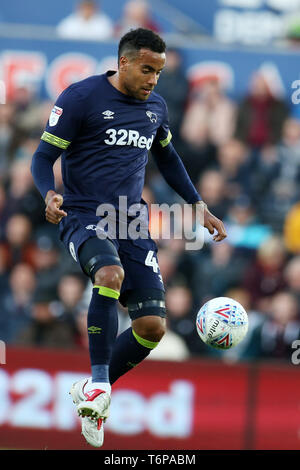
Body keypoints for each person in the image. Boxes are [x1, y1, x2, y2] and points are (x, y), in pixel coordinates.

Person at [30, 28, 226, 448]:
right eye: (146, 69)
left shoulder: (155, 107)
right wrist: (48, 192)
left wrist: (197, 203)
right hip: (83, 214)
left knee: (152, 327)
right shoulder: (81, 98)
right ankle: (101, 386)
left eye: (159, 70)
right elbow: (43, 156)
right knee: (110, 274)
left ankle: (90, 389)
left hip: (132, 223)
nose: (153, 79)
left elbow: (168, 157)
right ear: (123, 63)